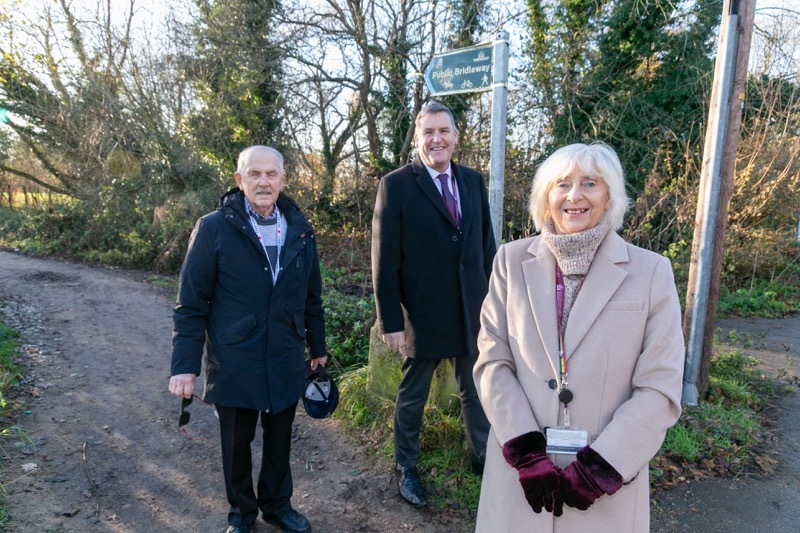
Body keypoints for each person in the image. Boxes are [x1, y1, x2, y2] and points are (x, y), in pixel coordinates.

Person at [473, 142, 685, 532]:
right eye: (562, 184)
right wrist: (525, 452)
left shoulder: (652, 272)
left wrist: (601, 468)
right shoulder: (509, 261)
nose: (574, 196)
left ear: (608, 196)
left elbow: (660, 385)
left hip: (607, 494)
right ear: (546, 197)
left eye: (590, 183)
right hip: (519, 485)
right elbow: (492, 361)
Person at [169, 145, 327, 533]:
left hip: (286, 354)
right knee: (236, 443)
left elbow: (312, 297)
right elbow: (191, 303)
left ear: (283, 180)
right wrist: (185, 367)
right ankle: (241, 514)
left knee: (279, 440)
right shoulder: (213, 228)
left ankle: (277, 504)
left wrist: (318, 348)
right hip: (234, 357)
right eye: (254, 174)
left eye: (271, 174)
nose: (263, 181)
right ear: (239, 181)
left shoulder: (301, 230)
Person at [371, 101, 496, 507]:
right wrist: (391, 319)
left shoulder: (473, 181)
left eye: (444, 131)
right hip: (422, 312)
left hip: (471, 308)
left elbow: (486, 247)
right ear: (418, 138)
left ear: (456, 137)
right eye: (428, 132)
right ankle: (406, 466)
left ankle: (484, 458)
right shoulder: (396, 185)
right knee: (413, 395)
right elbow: (384, 260)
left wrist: (497, 301)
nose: (436, 139)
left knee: (476, 388)